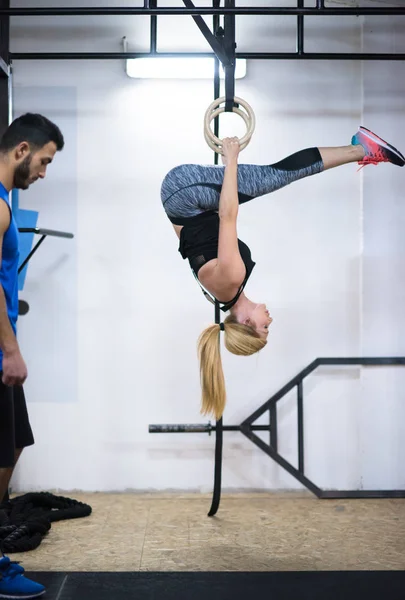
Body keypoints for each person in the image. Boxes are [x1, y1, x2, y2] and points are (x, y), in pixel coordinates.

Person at [161, 126, 405, 421]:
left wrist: (231, 162)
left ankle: (362, 149)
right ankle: (357, 149)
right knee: (268, 178)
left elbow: (228, 215)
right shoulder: (220, 294)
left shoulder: (232, 279)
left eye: (265, 328)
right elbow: (186, 236)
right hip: (181, 201)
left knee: (273, 177)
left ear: (248, 322)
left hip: (184, 194)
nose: (270, 321)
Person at [0, 113, 64, 599]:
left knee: (14, 444)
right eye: (43, 162)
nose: (43, 173)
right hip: (0, 355)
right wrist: (12, 350)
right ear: (22, 150)